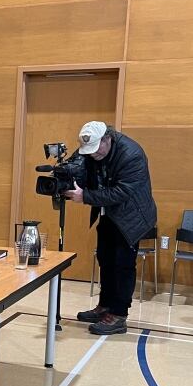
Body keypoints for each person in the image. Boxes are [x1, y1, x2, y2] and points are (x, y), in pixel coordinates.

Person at [64, 121, 157, 335]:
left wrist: (85, 196)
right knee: (106, 260)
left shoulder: (131, 155)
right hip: (109, 214)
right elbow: (79, 166)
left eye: (96, 150)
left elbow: (121, 192)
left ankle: (118, 315)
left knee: (123, 265)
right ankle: (105, 306)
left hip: (132, 217)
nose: (93, 154)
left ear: (108, 139)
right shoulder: (92, 150)